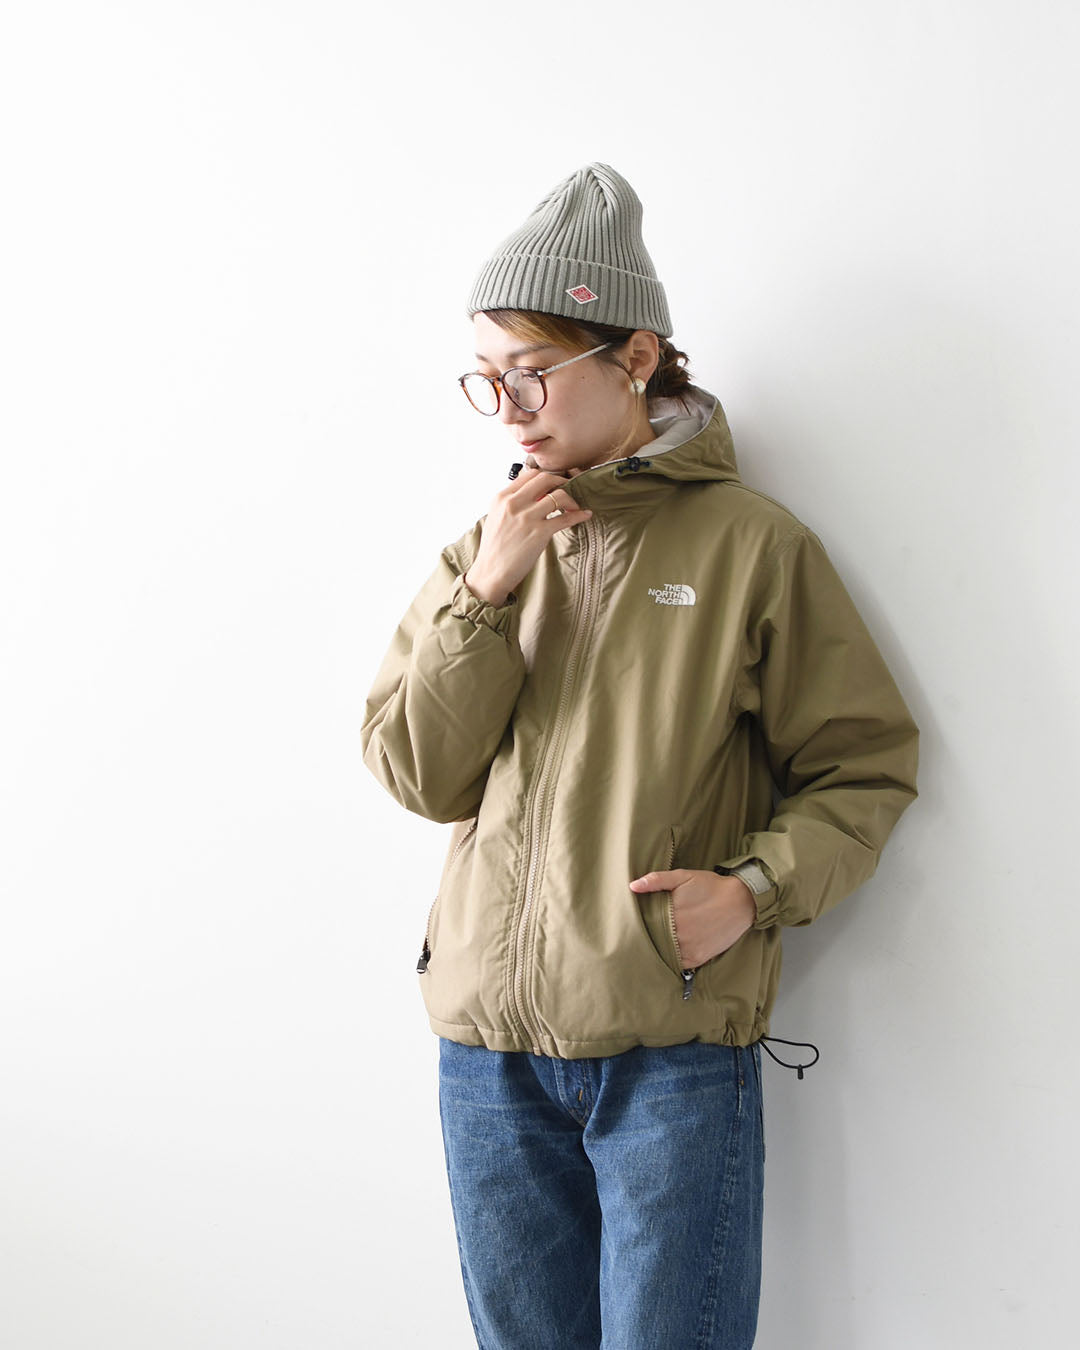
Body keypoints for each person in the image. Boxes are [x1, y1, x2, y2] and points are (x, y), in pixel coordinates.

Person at [361, 162, 919, 1349]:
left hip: (668, 1046)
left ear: (637, 356)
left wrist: (752, 891)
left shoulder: (753, 549)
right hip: (487, 1055)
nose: (508, 408)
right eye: (486, 377)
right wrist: (486, 594)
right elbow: (418, 773)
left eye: (532, 372)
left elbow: (864, 767)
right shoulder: (485, 551)